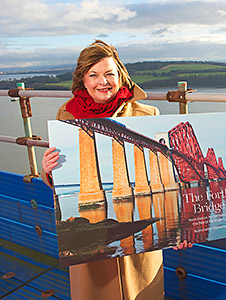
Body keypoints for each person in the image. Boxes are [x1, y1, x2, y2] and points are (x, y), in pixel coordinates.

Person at [41, 40, 191, 300]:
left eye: (110, 73)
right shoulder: (66, 114)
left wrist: (179, 229)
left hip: (140, 256)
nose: (103, 82)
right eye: (94, 75)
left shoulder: (147, 112)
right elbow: (60, 177)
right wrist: (49, 169)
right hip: (91, 253)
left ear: (120, 76)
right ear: (83, 80)